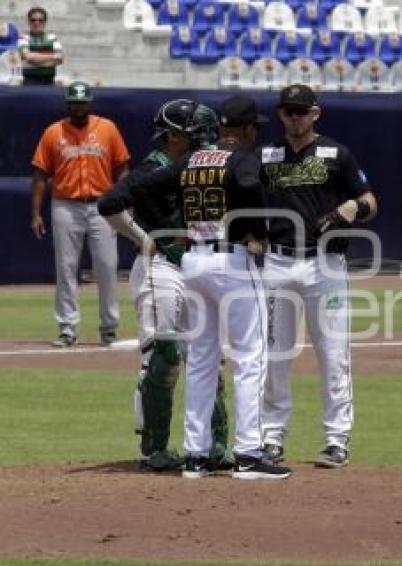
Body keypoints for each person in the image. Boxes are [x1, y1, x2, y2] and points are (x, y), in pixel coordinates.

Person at [106, 95, 291, 480]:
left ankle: (194, 454)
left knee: (203, 360)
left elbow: (130, 192)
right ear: (245, 130)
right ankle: (249, 453)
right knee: (249, 357)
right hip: (232, 260)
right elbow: (247, 184)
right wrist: (259, 231)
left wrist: (160, 230)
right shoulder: (241, 160)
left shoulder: (190, 161)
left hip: (192, 262)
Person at [97, 99, 230, 471]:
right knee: (163, 355)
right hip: (160, 267)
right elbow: (109, 204)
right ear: (174, 136)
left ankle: (216, 445)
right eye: (196, 134)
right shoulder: (153, 167)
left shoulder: (204, 165)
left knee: (207, 356)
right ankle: (153, 448)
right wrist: (142, 238)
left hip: (197, 264)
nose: (204, 140)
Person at [260, 84, 378, 469]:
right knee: (276, 353)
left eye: (300, 111)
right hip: (277, 261)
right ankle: (271, 437)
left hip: (325, 263)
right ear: (279, 114)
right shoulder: (267, 155)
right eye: (287, 111)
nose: (293, 118)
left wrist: (352, 208)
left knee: (332, 352)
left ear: (316, 113)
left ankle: (336, 439)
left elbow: (371, 201)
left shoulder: (335, 154)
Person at [30, 81, 129, 347]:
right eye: (74, 102)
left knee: (107, 266)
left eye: (82, 102)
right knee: (66, 268)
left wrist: (123, 199)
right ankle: (67, 328)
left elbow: (122, 167)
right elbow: (40, 175)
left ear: (90, 103)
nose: (78, 107)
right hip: (65, 205)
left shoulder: (107, 128)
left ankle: (109, 328)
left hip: (102, 205)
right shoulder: (53, 132)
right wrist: (36, 213)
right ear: (67, 104)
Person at [17, 6, 63, 85]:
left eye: (40, 20)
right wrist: (52, 57)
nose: (36, 23)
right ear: (29, 22)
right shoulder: (23, 37)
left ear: (45, 22)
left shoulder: (53, 38)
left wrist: (35, 59)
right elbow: (27, 56)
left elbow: (60, 58)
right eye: (33, 20)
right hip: (29, 81)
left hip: (49, 81)